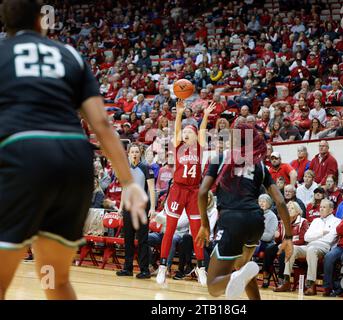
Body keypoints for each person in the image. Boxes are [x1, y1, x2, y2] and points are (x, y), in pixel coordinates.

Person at [0, 0, 147, 300]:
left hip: (24, 156)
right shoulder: (70, 55)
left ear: (5, 25)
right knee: (55, 280)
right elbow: (102, 124)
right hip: (75, 162)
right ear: (43, 21)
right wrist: (128, 182)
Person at [196, 124, 293, 300]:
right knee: (244, 269)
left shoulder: (221, 158)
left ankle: (233, 277)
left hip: (233, 220)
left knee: (213, 286)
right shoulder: (260, 165)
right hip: (256, 221)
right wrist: (288, 237)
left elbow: (202, 192)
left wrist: (204, 225)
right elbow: (279, 201)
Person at [156, 99, 216, 286]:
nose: (186, 132)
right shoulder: (177, 145)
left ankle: (201, 269)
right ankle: (163, 267)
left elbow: (203, 131)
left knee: (196, 230)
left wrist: (205, 116)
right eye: (185, 131)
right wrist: (179, 114)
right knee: (170, 229)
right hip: (178, 190)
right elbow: (176, 131)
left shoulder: (198, 147)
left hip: (194, 191)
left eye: (190, 130)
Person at [274, 199, 340, 295]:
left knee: (311, 250)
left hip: (324, 247)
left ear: (331, 210)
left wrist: (316, 235)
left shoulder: (337, 221)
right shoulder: (315, 220)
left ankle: (311, 285)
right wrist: (322, 233)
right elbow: (306, 237)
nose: (321, 209)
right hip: (309, 245)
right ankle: (286, 281)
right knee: (292, 248)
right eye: (320, 207)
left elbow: (330, 239)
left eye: (324, 207)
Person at [116, 144, 156, 278]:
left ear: (140, 153)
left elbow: (151, 190)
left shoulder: (146, 168)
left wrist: (153, 208)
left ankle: (144, 270)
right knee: (128, 239)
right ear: (128, 154)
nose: (134, 154)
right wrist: (121, 207)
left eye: (136, 152)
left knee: (142, 240)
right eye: (132, 152)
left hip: (142, 208)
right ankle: (127, 268)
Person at [254, 194, 279, 289]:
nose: (261, 203)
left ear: (269, 204)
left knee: (268, 250)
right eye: (260, 201)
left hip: (267, 243)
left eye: (264, 201)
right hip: (254, 241)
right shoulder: (254, 213)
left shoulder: (272, 216)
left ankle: (266, 275)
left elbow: (269, 236)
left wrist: (255, 235)